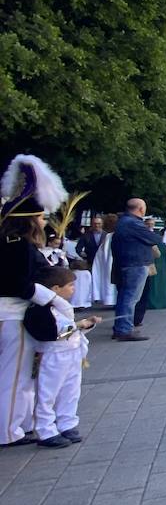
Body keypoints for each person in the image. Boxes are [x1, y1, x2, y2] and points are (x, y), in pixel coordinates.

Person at [1, 154, 66, 447]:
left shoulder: (10, 242)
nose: (44, 222)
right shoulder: (17, 244)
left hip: (10, 312)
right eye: (40, 217)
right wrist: (51, 297)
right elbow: (18, 283)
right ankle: (8, 430)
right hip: (11, 313)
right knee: (14, 376)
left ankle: (17, 423)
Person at [24, 267, 99, 447]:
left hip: (71, 355)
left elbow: (69, 330)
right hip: (52, 356)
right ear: (56, 289)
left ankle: (67, 423)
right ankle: (45, 429)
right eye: (70, 285)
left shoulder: (61, 307)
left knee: (70, 391)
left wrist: (83, 325)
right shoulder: (39, 310)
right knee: (47, 394)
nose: (73, 289)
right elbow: (49, 334)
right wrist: (77, 326)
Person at [111, 198, 165, 341]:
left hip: (128, 263)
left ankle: (121, 327)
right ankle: (124, 329)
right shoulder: (133, 223)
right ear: (141, 209)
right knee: (130, 298)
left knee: (125, 297)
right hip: (135, 264)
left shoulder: (124, 222)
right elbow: (154, 238)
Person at [140, 225, 166, 312]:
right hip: (163, 270)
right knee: (162, 286)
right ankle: (164, 302)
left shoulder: (146, 244)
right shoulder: (164, 245)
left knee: (151, 287)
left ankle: (150, 302)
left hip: (151, 269)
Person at [89, 212, 117, 307]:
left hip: (109, 263)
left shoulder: (108, 237)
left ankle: (110, 300)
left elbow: (101, 253)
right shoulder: (109, 237)